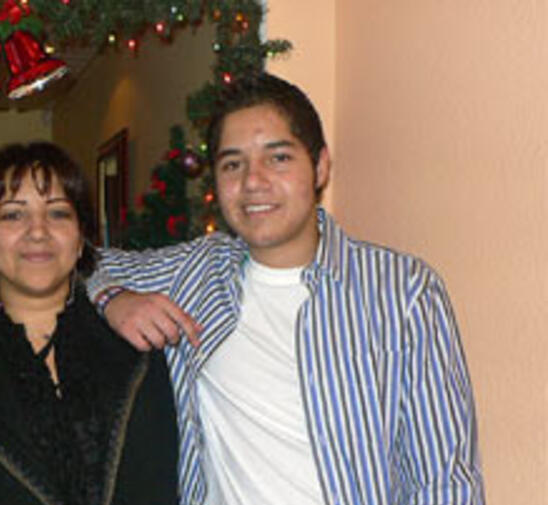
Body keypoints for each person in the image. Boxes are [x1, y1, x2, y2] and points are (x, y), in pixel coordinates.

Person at [87, 72, 485, 505]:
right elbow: (66, 261)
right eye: (233, 164)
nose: (253, 182)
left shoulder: (402, 292)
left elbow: (445, 481)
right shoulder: (195, 272)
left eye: (278, 158)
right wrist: (112, 298)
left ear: (320, 167)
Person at [0, 142, 178, 505]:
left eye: (58, 213)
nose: (38, 231)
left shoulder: (137, 344)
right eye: (13, 215)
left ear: (80, 241)